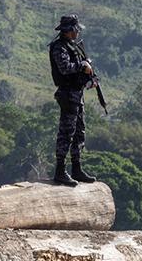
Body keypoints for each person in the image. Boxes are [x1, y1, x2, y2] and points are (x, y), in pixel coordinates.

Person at [49, 14, 97, 186]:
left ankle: (76, 168)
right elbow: (64, 68)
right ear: (68, 31)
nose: (77, 32)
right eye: (75, 29)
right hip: (68, 95)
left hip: (77, 94)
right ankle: (60, 171)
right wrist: (82, 66)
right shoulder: (59, 47)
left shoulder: (73, 47)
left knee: (79, 132)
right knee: (66, 133)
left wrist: (89, 78)